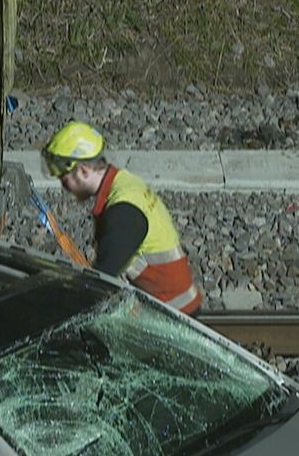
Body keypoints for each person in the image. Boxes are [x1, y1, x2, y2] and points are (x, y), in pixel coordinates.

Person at [42, 120, 203, 314]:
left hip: (172, 319)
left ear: (83, 171)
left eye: (64, 179)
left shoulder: (122, 213)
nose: (63, 187)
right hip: (171, 305)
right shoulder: (124, 183)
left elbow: (101, 282)